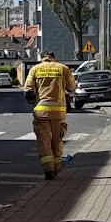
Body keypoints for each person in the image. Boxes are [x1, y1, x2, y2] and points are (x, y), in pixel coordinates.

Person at [22, 50, 76, 180]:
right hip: (59, 112)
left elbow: (27, 91)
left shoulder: (35, 69)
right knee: (57, 140)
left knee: (44, 141)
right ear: (54, 58)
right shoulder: (63, 69)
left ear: (42, 58)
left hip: (41, 111)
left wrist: (32, 101)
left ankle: (48, 170)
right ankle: (57, 167)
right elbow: (71, 87)